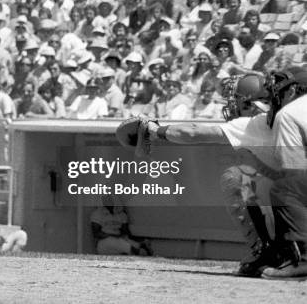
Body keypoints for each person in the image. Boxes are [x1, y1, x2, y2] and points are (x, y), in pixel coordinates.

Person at [119, 74, 283, 277]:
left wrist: (155, 130)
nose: (232, 104)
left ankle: (265, 253)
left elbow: (193, 133)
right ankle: (287, 251)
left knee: (236, 177)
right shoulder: (286, 117)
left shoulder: (256, 123)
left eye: (238, 99)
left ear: (251, 103)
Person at [260, 67, 307, 279]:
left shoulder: (289, 113)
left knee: (285, 188)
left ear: (293, 90)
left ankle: (302, 259)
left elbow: (293, 168)